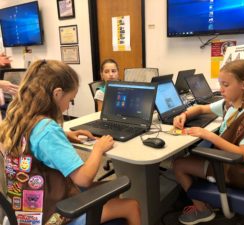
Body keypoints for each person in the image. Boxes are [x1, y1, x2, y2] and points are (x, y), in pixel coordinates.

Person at [0, 60, 141, 225]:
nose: (68, 106)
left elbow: (32, 141)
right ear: (57, 93)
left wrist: (66, 135)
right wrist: (98, 148)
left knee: (109, 192)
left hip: (25, 210)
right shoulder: (47, 129)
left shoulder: (17, 117)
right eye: (70, 100)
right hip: (51, 215)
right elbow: (83, 179)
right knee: (132, 205)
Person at [173, 60, 244, 225]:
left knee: (179, 164)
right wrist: (185, 115)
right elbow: (202, 108)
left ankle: (202, 210)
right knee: (193, 153)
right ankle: (206, 200)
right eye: (220, 84)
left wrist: (208, 135)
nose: (220, 89)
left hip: (235, 170)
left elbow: (242, 155)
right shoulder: (230, 105)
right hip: (224, 162)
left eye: (225, 84)